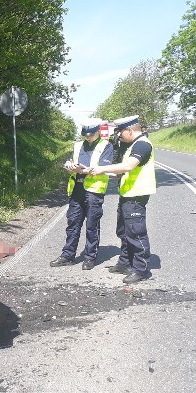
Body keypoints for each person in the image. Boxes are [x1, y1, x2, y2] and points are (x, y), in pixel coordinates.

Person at [90, 115, 156, 284]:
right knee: (124, 231)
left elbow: (129, 166)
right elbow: (124, 169)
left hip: (136, 195)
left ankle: (141, 269)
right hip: (127, 194)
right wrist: (111, 173)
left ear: (129, 130)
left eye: (120, 133)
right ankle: (125, 263)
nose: (118, 136)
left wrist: (102, 169)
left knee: (136, 232)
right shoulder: (132, 145)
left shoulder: (142, 144)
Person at [50, 118, 114, 270]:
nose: (88, 137)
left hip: (94, 191)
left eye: (91, 134)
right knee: (72, 223)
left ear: (98, 131)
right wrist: (68, 165)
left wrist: (81, 170)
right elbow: (69, 160)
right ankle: (68, 255)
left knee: (92, 225)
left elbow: (102, 168)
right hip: (77, 189)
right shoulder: (78, 145)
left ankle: (90, 257)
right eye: (85, 134)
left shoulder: (106, 146)